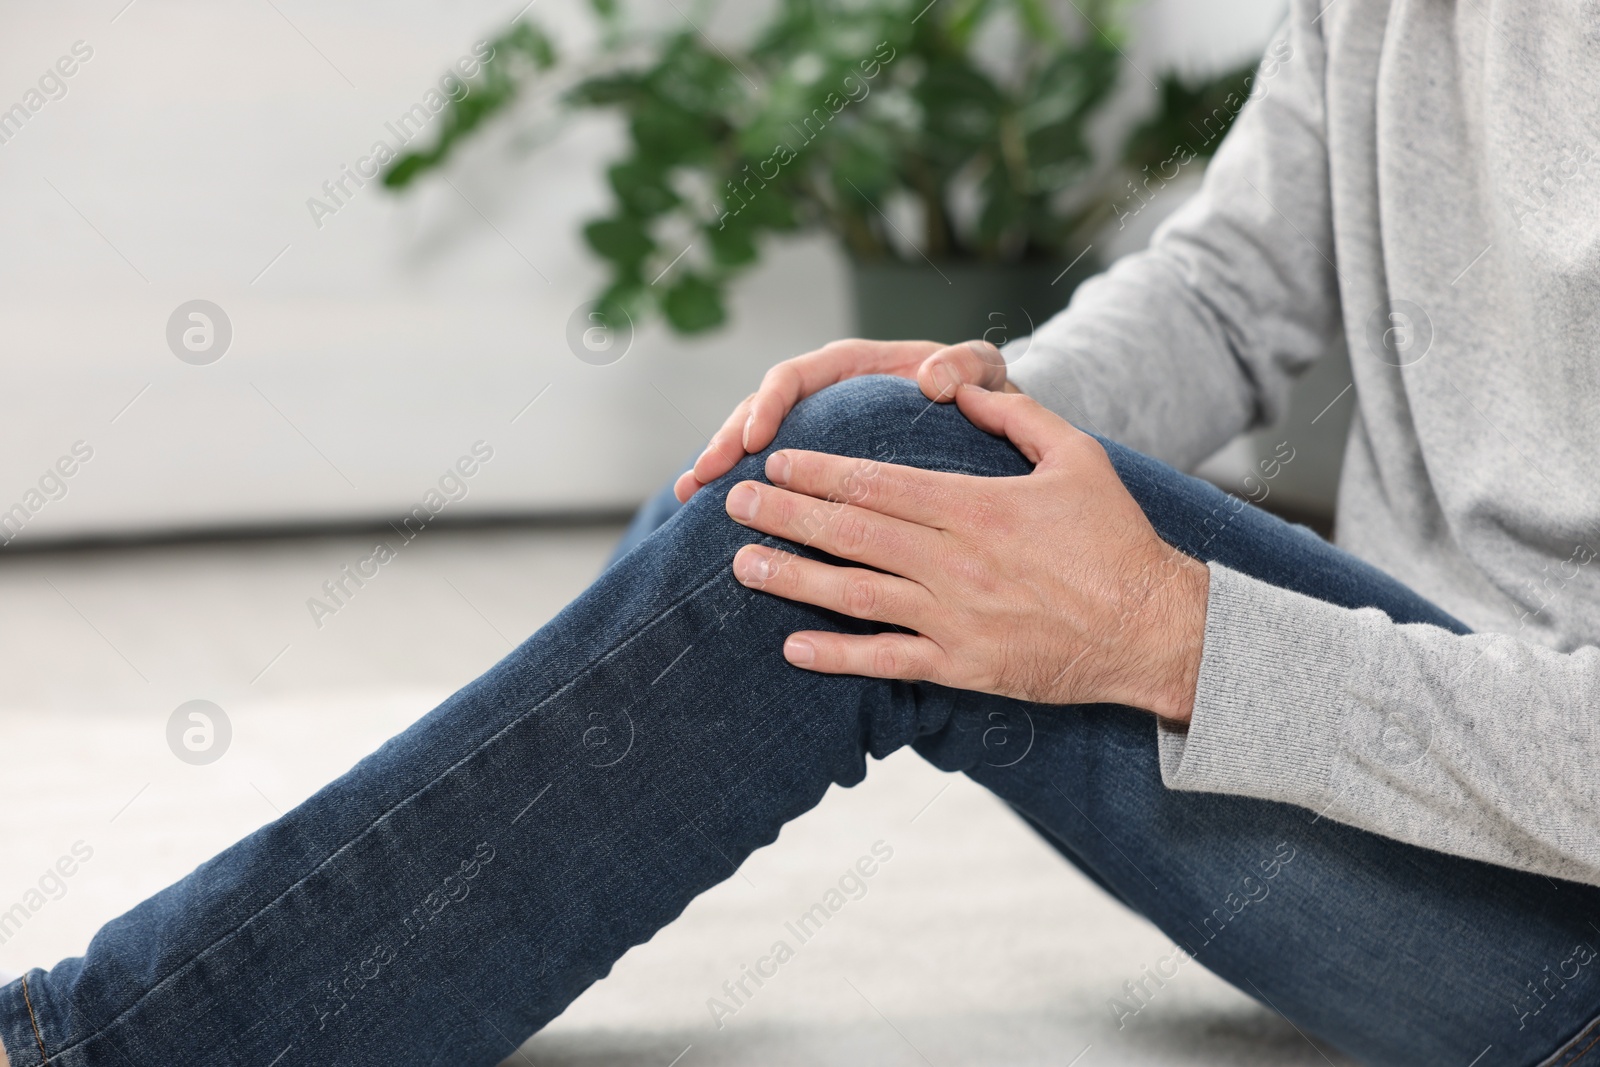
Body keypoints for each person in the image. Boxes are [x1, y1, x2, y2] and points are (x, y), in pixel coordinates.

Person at [6, 2, 1600, 1064]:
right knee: (789, 494)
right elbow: (1234, 288)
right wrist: (995, 409)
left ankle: (92, 1045)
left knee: (848, 501)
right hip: (1432, 750)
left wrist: (1179, 634)